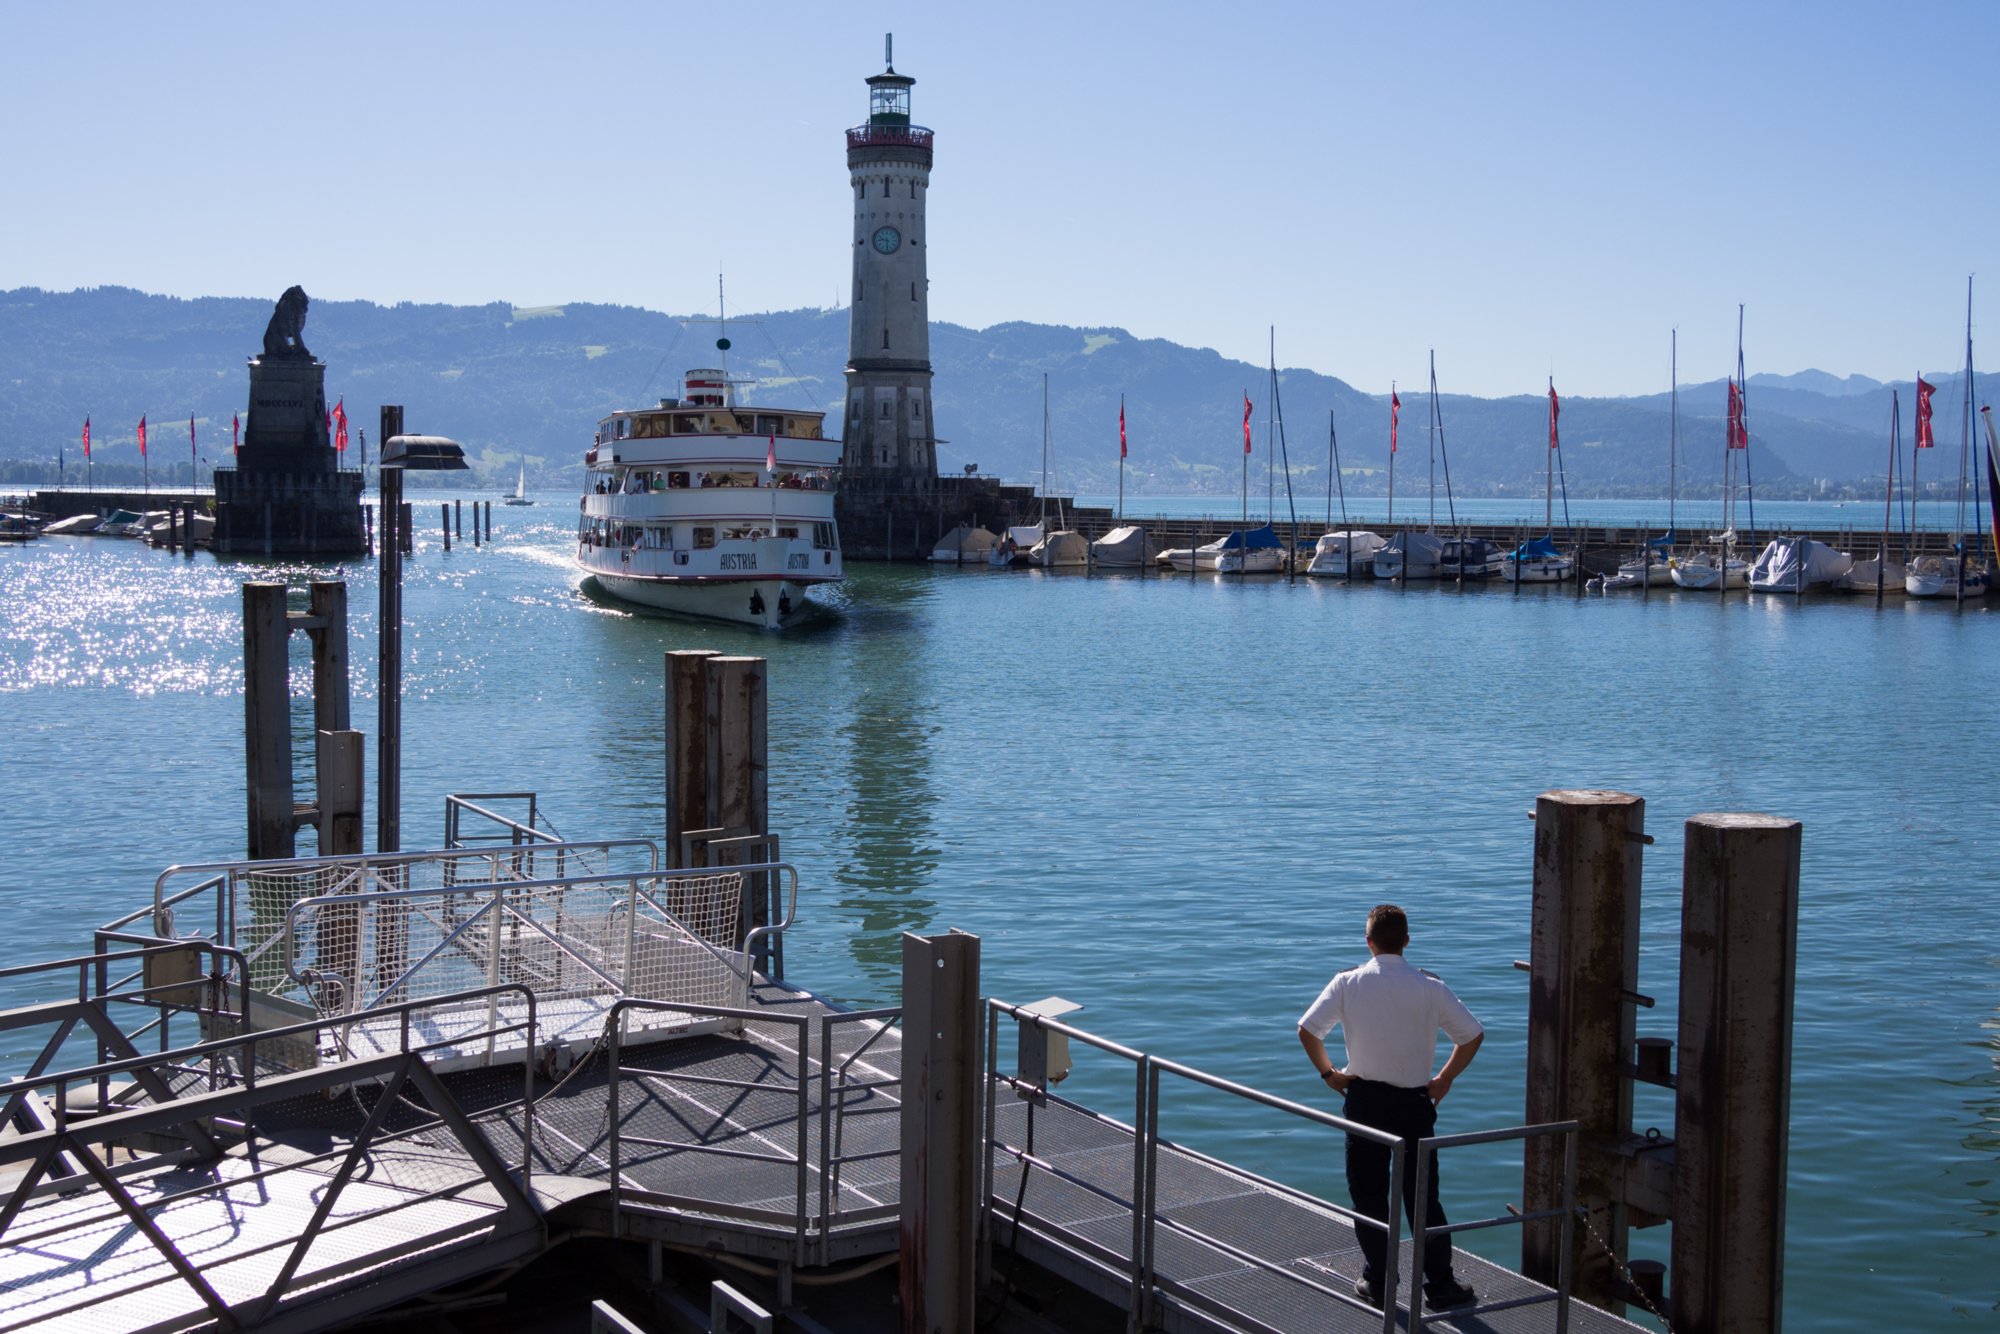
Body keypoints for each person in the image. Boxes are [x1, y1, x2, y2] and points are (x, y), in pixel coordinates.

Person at [1297, 904, 1482, 1312]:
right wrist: (1445, 1078)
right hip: (1415, 1102)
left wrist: (1330, 1075)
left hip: (1363, 1100)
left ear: (1369, 943)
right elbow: (1471, 1035)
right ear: (1406, 941)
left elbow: (1308, 1030)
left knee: (1368, 1193)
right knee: (1423, 1196)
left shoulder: (1348, 983)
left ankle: (1380, 1280)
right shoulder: (1430, 987)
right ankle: (1440, 1284)